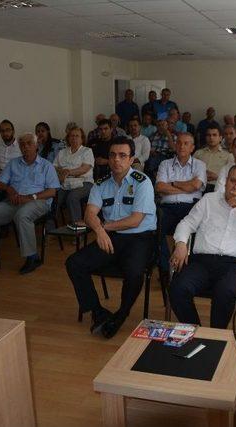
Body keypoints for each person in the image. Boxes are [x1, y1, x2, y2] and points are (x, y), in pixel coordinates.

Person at [66, 136, 156, 339]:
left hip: (139, 238)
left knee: (134, 273)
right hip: (110, 236)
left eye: (123, 155)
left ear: (132, 159)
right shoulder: (101, 184)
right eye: (113, 155)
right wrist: (99, 231)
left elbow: (135, 220)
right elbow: (90, 214)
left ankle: (121, 314)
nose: (117, 160)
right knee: (74, 263)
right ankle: (98, 312)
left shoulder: (143, 183)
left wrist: (103, 226)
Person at [169, 165, 236, 328]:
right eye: (232, 181)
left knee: (225, 291)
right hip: (202, 262)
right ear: (226, 182)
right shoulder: (209, 200)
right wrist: (180, 244)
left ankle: (217, 334)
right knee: (178, 288)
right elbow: (187, 224)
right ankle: (196, 330)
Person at [0, 133, 60, 275]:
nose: (25, 147)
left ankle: (33, 257)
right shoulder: (13, 163)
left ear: (37, 146)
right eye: (22, 144)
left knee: (22, 215)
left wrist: (31, 197)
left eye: (29, 143)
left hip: (38, 202)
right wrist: (9, 188)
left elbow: (52, 191)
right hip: (14, 201)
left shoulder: (46, 166)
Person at [155, 133, 206, 273]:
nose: (182, 146)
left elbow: (195, 186)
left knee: (195, 231)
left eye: (186, 143)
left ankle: (186, 268)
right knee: (153, 228)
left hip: (190, 208)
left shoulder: (200, 165)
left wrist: (172, 183)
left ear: (192, 148)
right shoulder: (165, 164)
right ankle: (167, 269)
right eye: (179, 143)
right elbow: (159, 187)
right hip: (167, 208)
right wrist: (186, 189)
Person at [53, 127, 94, 226]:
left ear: (82, 138)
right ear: (68, 138)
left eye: (77, 136)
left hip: (84, 183)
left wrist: (67, 172)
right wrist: (62, 172)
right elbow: (54, 167)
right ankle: (50, 230)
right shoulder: (62, 152)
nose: (74, 138)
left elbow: (84, 169)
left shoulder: (87, 151)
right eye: (72, 136)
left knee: (72, 197)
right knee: (54, 199)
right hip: (65, 183)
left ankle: (77, 229)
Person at [193, 123, 231, 192]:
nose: (211, 138)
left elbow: (231, 177)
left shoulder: (228, 155)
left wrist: (217, 177)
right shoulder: (198, 153)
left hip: (217, 188)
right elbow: (190, 171)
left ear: (220, 138)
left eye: (214, 135)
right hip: (198, 187)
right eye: (208, 135)